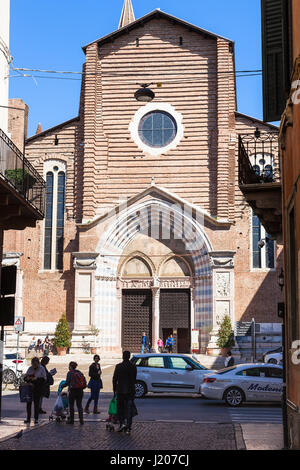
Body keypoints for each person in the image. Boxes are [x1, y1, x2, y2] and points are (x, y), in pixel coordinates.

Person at [113, 350, 137, 435]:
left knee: (120, 408)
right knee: (129, 409)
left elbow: (114, 379)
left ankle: (122, 423)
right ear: (129, 356)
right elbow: (134, 378)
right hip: (130, 390)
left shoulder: (118, 366)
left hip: (120, 390)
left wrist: (114, 390)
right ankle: (128, 427)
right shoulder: (133, 366)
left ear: (123, 356)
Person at [23, 357, 47, 425]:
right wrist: (28, 378)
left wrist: (37, 379)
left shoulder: (41, 368)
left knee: (36, 404)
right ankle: (28, 418)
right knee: (28, 404)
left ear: (38, 364)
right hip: (30, 388)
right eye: (33, 365)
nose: (34, 367)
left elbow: (44, 379)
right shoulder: (30, 368)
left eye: (36, 365)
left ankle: (36, 419)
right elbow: (25, 377)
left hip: (38, 388)